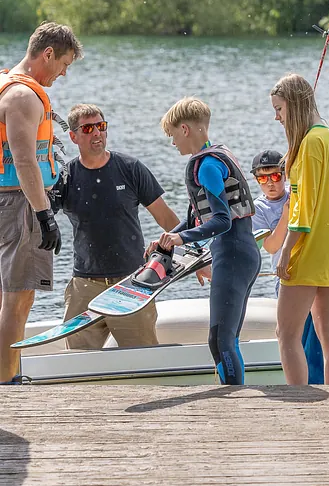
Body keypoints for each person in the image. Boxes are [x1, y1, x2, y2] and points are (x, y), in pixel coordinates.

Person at [53, 103, 180, 349]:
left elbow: (166, 219)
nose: (97, 133)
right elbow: (39, 218)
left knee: (143, 361)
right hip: (85, 286)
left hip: (132, 283)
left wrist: (197, 260)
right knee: (78, 366)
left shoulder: (130, 168)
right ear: (73, 136)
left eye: (101, 126)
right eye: (88, 129)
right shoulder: (65, 177)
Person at [0, 22, 83, 383]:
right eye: (63, 64)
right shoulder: (22, 96)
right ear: (47, 54)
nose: (64, 73)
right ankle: (7, 383)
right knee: (18, 300)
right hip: (19, 203)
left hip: (7, 202)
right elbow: (24, 160)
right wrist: (44, 214)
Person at [158, 96, 261, 385]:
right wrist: (165, 241)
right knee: (224, 339)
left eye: (172, 135)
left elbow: (221, 220)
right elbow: (195, 219)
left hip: (233, 255)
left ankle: (232, 403)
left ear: (186, 129)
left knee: (220, 341)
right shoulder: (214, 156)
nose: (173, 143)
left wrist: (179, 239)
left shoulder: (206, 166)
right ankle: (232, 394)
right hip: (241, 253)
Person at [270, 73, 329, 386]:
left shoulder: (310, 144)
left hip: (307, 254)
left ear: (293, 105)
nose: (277, 117)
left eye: (279, 109)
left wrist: (284, 254)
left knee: (286, 333)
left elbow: (302, 211)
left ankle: (299, 401)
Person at [250, 149, 289, 296]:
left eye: (275, 176)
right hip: (283, 274)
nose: (270, 183)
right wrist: (285, 216)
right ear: (256, 180)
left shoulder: (296, 194)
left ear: (285, 175)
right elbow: (271, 247)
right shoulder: (258, 209)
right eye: (263, 179)